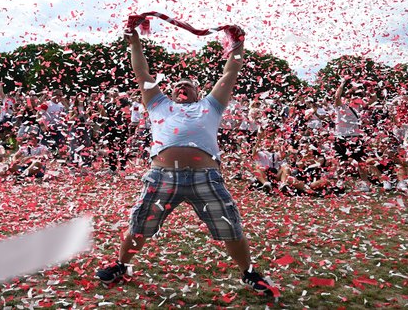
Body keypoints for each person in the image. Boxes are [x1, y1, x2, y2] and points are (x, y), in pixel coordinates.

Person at [95, 27, 275, 295]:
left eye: (187, 84)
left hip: (206, 177)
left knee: (230, 225)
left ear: (198, 91)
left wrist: (238, 44)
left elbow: (230, 73)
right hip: (162, 176)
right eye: (177, 84)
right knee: (140, 224)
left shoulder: (211, 105)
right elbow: (141, 73)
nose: (181, 86)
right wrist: (134, 42)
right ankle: (122, 265)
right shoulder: (158, 104)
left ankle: (248, 273)